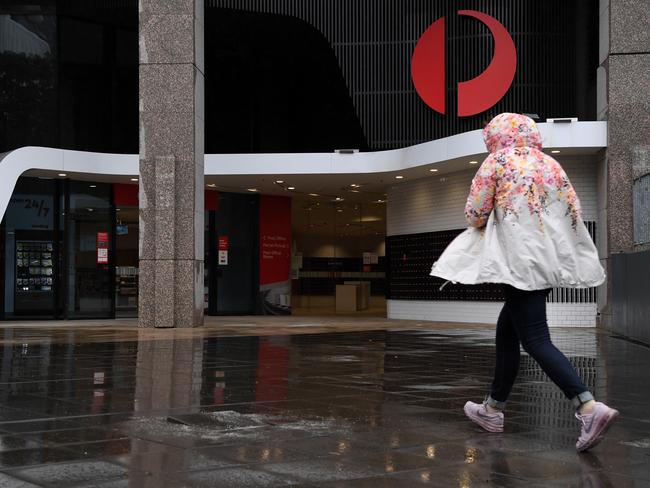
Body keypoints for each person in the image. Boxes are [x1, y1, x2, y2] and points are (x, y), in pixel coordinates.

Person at [430, 113, 618, 452]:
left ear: (495, 136)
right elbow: (571, 210)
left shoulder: (497, 161)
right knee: (508, 333)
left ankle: (588, 407)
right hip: (547, 258)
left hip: (517, 261)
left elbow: (474, 214)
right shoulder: (550, 164)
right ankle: (492, 409)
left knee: (535, 339)